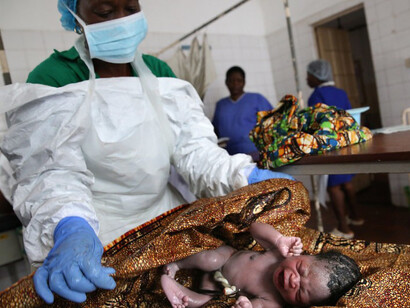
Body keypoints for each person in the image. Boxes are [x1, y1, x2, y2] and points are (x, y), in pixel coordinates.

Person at [0, 0, 295, 304]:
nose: (121, 21)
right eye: (104, 11)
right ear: (76, 17)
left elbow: (195, 151)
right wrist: (69, 225)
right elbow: (51, 173)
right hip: (93, 230)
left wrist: (243, 174)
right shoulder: (54, 78)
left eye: (130, 9)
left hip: (164, 214)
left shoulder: (159, 74)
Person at [161, 222, 361, 308]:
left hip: (219, 289)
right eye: (300, 269)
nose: (293, 281)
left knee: (206, 302)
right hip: (227, 257)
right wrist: (278, 239)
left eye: (300, 292)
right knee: (208, 259)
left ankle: (180, 293)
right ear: (306, 255)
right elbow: (255, 229)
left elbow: (256, 306)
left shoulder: (274, 301)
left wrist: (246, 305)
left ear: (298, 305)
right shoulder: (279, 254)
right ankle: (178, 265)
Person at [306, 59, 365, 239]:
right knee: (346, 182)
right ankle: (356, 217)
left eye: (309, 75)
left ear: (316, 76)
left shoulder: (316, 95)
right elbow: (349, 116)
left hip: (329, 145)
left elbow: (314, 123)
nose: (307, 79)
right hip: (345, 142)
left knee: (333, 187)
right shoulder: (340, 92)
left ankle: (344, 228)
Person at [212, 66, 273, 161]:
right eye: (231, 81)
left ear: (244, 82)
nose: (235, 84)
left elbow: (272, 123)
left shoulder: (256, 99)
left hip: (255, 154)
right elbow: (215, 130)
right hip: (230, 157)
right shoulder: (220, 105)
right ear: (226, 83)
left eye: (239, 80)